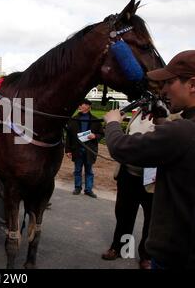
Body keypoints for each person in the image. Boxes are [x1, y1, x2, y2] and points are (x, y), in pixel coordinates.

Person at [104, 50, 195, 269]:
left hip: (177, 256)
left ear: (192, 84)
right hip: (130, 177)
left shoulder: (183, 129)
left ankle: (143, 254)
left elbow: (121, 147)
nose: (163, 90)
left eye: (169, 82)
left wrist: (113, 123)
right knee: (125, 216)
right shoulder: (179, 127)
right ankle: (121, 247)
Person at [101, 108, 154, 269]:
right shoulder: (137, 113)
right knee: (124, 214)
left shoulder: (167, 115)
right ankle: (120, 248)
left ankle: (146, 256)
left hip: (151, 178)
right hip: (128, 174)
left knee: (151, 220)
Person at [65, 98, 104, 198]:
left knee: (89, 171)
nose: (79, 106)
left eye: (81, 104)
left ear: (87, 106)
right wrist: (68, 150)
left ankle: (88, 189)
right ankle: (77, 187)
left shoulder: (96, 120)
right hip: (77, 149)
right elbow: (68, 136)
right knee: (77, 170)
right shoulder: (73, 119)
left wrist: (95, 136)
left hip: (89, 150)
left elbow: (101, 134)